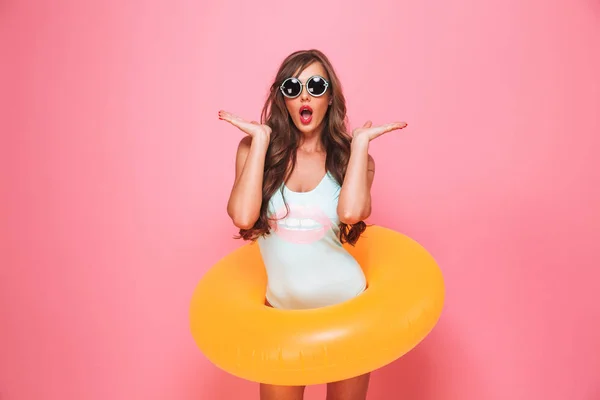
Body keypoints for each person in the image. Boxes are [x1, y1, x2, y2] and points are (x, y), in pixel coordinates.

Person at [218, 49, 407, 400]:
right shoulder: (254, 150)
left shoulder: (353, 157)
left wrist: (361, 144)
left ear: (330, 96)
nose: (304, 95)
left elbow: (352, 213)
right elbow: (243, 217)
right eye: (293, 87)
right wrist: (261, 141)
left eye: (316, 86)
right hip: (282, 319)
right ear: (283, 98)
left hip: (348, 313)